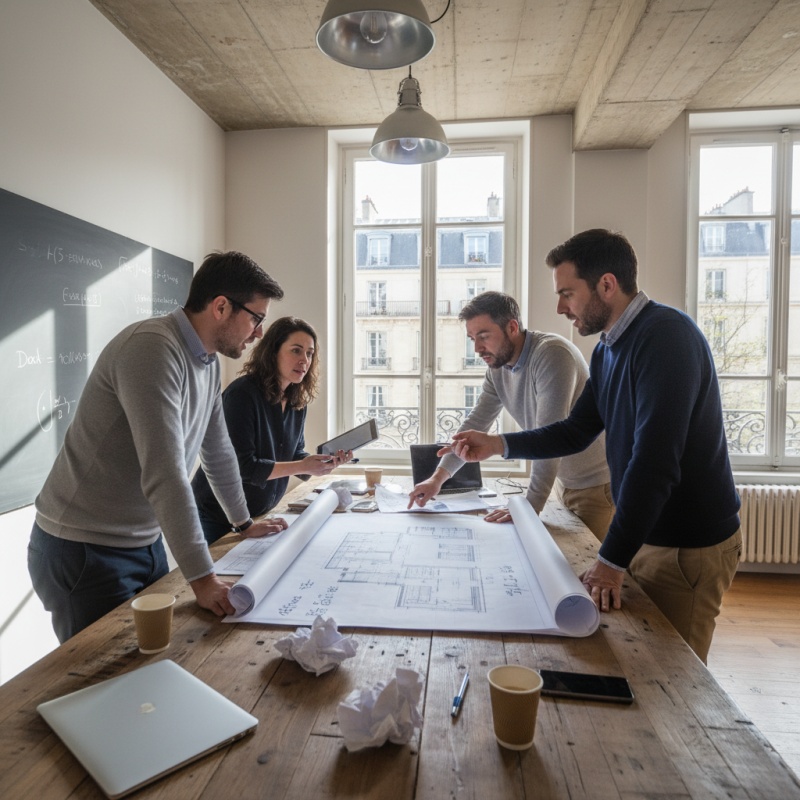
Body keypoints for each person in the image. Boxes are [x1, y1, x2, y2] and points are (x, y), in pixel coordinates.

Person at [444, 229, 742, 663]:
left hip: (687, 546)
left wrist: (611, 559)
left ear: (606, 284)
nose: (560, 307)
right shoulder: (607, 350)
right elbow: (573, 431)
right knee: (636, 663)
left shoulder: (666, 338)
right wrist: (498, 444)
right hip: (648, 534)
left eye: (568, 293)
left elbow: (655, 462)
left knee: (675, 676)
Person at [28, 251, 291, 643]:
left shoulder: (207, 362)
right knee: (103, 684)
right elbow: (165, 473)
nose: (258, 333)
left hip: (144, 541)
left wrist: (244, 523)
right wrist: (203, 579)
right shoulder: (152, 348)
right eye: (256, 318)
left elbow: (218, 453)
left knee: (152, 662)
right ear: (221, 306)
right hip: (85, 549)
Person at [407, 291, 613, 541]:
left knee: (595, 574)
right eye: (472, 338)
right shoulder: (497, 368)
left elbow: (552, 439)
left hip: (597, 487)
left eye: (483, 336)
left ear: (512, 327)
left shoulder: (552, 355)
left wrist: (529, 509)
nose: (477, 349)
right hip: (562, 483)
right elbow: (476, 423)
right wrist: (437, 479)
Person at [192, 316, 351, 544]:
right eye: (296, 351)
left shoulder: (297, 401)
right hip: (217, 517)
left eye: (309, 353)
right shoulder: (242, 395)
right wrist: (301, 465)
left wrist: (322, 463)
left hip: (258, 516)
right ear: (273, 351)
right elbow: (243, 467)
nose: (304, 360)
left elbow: (294, 454)